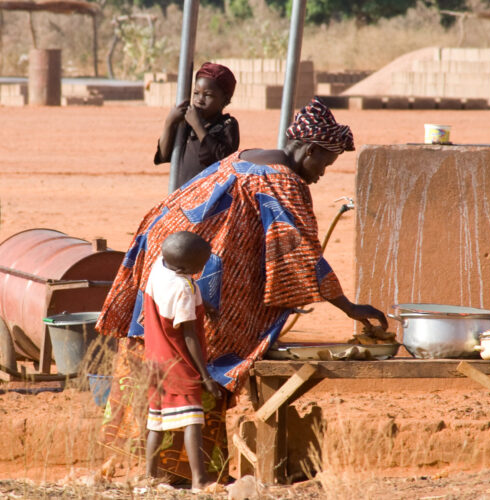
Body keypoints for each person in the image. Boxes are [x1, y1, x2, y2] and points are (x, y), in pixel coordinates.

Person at [97, 97, 387, 482]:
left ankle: (160, 472)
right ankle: (197, 475)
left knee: (158, 366)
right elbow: (299, 252)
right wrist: (349, 308)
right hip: (190, 272)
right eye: (324, 164)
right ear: (311, 149)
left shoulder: (252, 156)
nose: (320, 174)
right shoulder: (284, 181)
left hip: (160, 260)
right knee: (202, 364)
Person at [143, 231, 222, 489]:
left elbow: (177, 294)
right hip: (178, 361)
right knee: (192, 419)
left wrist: (204, 304)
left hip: (155, 358)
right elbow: (189, 336)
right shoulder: (183, 289)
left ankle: (150, 475)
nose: (203, 268)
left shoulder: (159, 267)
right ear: (185, 268)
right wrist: (205, 377)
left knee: (156, 420)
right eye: (201, 265)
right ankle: (199, 479)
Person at [155, 62, 240, 188]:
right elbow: (164, 155)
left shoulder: (228, 125)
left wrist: (197, 125)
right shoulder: (185, 123)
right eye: (196, 93)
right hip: (181, 196)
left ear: (225, 100)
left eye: (208, 95)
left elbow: (221, 159)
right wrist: (169, 122)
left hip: (208, 199)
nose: (199, 99)